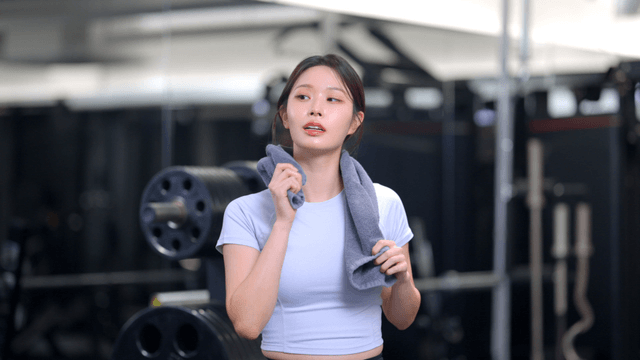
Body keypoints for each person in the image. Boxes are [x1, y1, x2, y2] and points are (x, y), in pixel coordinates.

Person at [216, 54, 421, 360]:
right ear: (285, 115)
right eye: (303, 97)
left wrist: (402, 281)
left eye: (333, 99)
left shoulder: (383, 204)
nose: (315, 108)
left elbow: (402, 318)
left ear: (355, 121)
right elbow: (247, 324)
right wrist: (283, 223)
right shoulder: (245, 212)